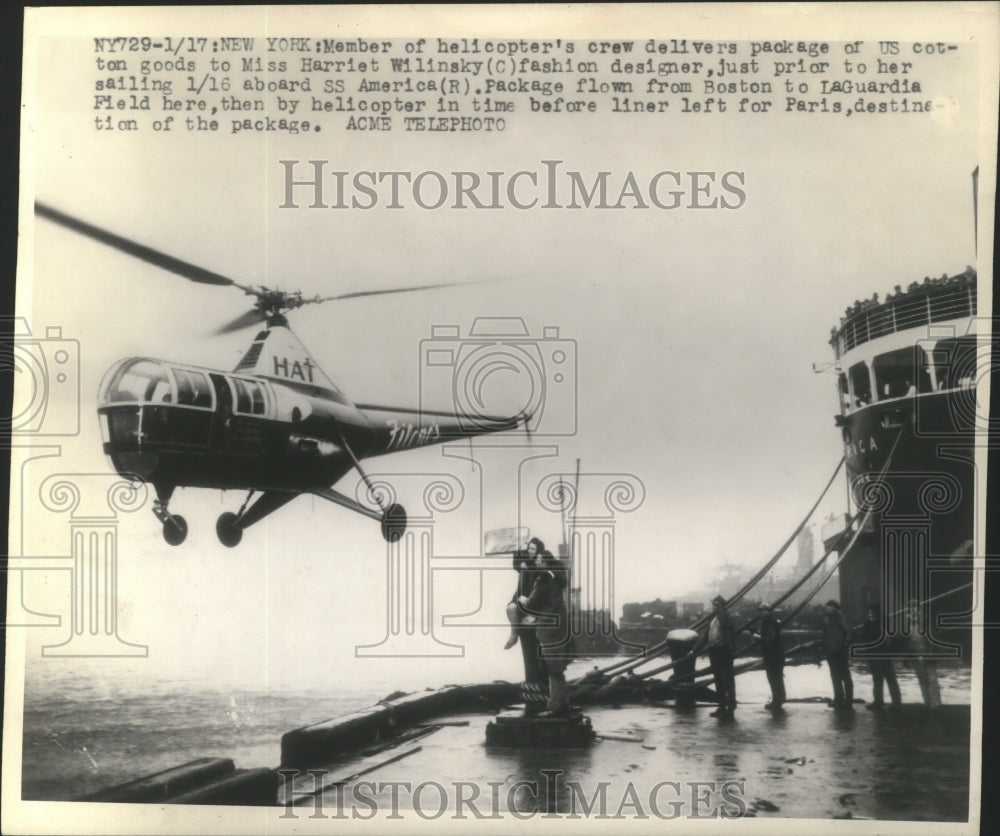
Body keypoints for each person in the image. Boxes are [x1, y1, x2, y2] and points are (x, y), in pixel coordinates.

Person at [520, 550, 573, 716]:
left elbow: (530, 604)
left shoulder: (543, 579)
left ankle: (555, 707)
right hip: (560, 626)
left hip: (549, 629)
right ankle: (561, 703)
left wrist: (523, 600)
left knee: (553, 669)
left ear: (545, 562)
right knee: (557, 668)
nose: (536, 562)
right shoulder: (557, 579)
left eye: (538, 559)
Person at [504, 537, 544, 650]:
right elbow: (516, 564)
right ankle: (514, 635)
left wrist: (530, 599)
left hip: (533, 596)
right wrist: (517, 552)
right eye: (529, 548)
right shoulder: (525, 558)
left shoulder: (539, 563)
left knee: (530, 622)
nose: (529, 551)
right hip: (521, 593)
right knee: (511, 608)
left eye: (532, 549)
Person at [858, 604, 901, 709]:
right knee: (877, 679)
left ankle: (896, 702)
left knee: (890, 678)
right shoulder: (868, 623)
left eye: (872, 611)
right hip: (872, 654)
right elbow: (864, 637)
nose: (870, 613)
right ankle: (878, 701)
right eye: (869, 612)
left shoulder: (883, 623)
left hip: (883, 654)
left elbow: (888, 637)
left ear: (877, 613)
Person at [701, 595, 737, 718]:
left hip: (724, 650)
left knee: (728, 681)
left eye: (716, 605)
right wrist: (694, 650)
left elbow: (725, 625)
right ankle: (721, 706)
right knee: (718, 681)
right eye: (714, 606)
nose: (714, 608)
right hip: (714, 651)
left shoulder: (726, 618)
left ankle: (730, 708)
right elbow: (706, 636)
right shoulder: (713, 619)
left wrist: (721, 610)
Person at [904, 599, 942, 708]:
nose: (913, 610)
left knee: (932, 679)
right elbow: (907, 641)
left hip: (928, 653)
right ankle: (927, 703)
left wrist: (931, 654)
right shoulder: (906, 623)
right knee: (922, 680)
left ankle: (936, 704)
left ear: (919, 609)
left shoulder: (926, 620)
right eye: (910, 608)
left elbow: (933, 639)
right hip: (915, 656)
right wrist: (907, 658)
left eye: (915, 607)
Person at [822, 600, 854, 709]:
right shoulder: (827, 620)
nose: (829, 609)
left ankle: (848, 701)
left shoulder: (841, 619)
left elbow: (850, 634)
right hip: (831, 652)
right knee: (835, 677)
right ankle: (838, 700)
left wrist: (843, 647)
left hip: (840, 652)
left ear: (836, 608)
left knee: (845, 676)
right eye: (828, 607)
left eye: (831, 607)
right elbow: (825, 636)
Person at [754, 603, 785, 710]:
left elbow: (770, 640)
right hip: (775, 654)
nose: (762, 613)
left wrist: (758, 638)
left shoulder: (770, 623)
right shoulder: (770, 622)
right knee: (776, 677)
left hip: (773, 655)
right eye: (761, 611)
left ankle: (777, 701)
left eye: (763, 611)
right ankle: (779, 699)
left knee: (774, 677)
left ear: (768, 611)